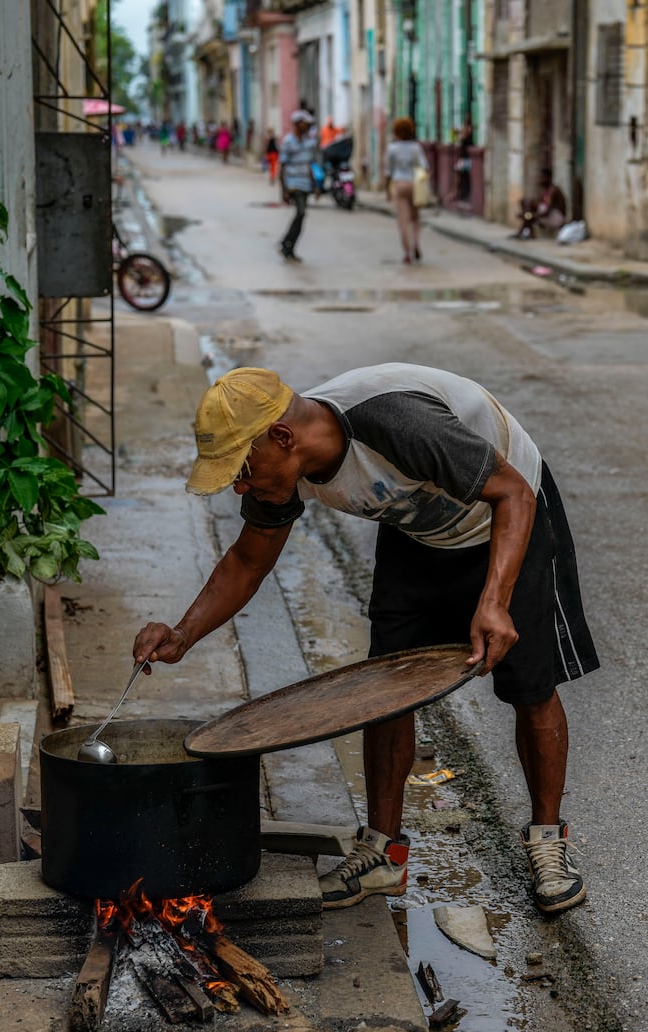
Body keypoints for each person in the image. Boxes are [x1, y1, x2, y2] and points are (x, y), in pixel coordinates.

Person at [132, 365, 599, 916]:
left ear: (282, 438)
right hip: (418, 531)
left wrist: (493, 599)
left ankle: (548, 843)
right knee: (384, 687)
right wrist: (183, 633)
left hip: (504, 520)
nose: (239, 485)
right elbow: (248, 559)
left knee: (531, 685)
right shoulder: (285, 466)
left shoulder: (395, 423)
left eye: (241, 468)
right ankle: (384, 853)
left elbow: (513, 494)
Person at [386, 117, 427, 264]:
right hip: (414, 184)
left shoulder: (392, 148)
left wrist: (387, 190)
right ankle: (415, 242)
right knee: (415, 218)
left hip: (400, 184)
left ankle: (407, 252)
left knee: (403, 220)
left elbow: (389, 171)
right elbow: (424, 166)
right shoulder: (416, 147)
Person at [277, 110, 317, 262]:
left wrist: (315, 185)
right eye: (304, 123)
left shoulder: (309, 143)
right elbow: (283, 166)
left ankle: (288, 246)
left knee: (301, 216)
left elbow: (309, 165)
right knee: (301, 212)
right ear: (297, 124)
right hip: (293, 183)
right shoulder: (288, 142)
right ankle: (286, 242)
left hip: (305, 182)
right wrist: (284, 191)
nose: (307, 126)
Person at [515, 167, 567, 239]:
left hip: (557, 218)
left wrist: (529, 215)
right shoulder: (545, 191)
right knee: (526, 203)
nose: (539, 180)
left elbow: (546, 212)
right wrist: (527, 214)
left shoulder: (553, 190)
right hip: (548, 216)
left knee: (529, 211)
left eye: (541, 177)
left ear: (548, 178)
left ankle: (525, 232)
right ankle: (526, 232)